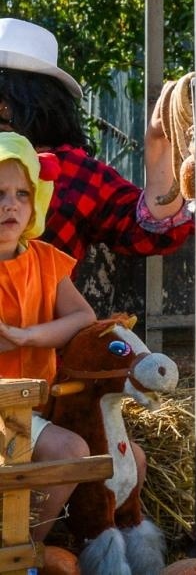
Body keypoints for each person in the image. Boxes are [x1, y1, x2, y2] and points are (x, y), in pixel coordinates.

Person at [0, 131, 150, 542]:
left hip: (43, 401)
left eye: (22, 194)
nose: (11, 205)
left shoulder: (44, 259)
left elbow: (82, 316)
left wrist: (28, 336)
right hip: (4, 408)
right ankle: (22, 550)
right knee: (70, 451)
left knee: (128, 456)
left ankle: (89, 543)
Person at [0, 19, 190, 263]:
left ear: (37, 100)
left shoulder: (74, 173)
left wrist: (158, 143)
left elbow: (151, 232)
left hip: (46, 289)